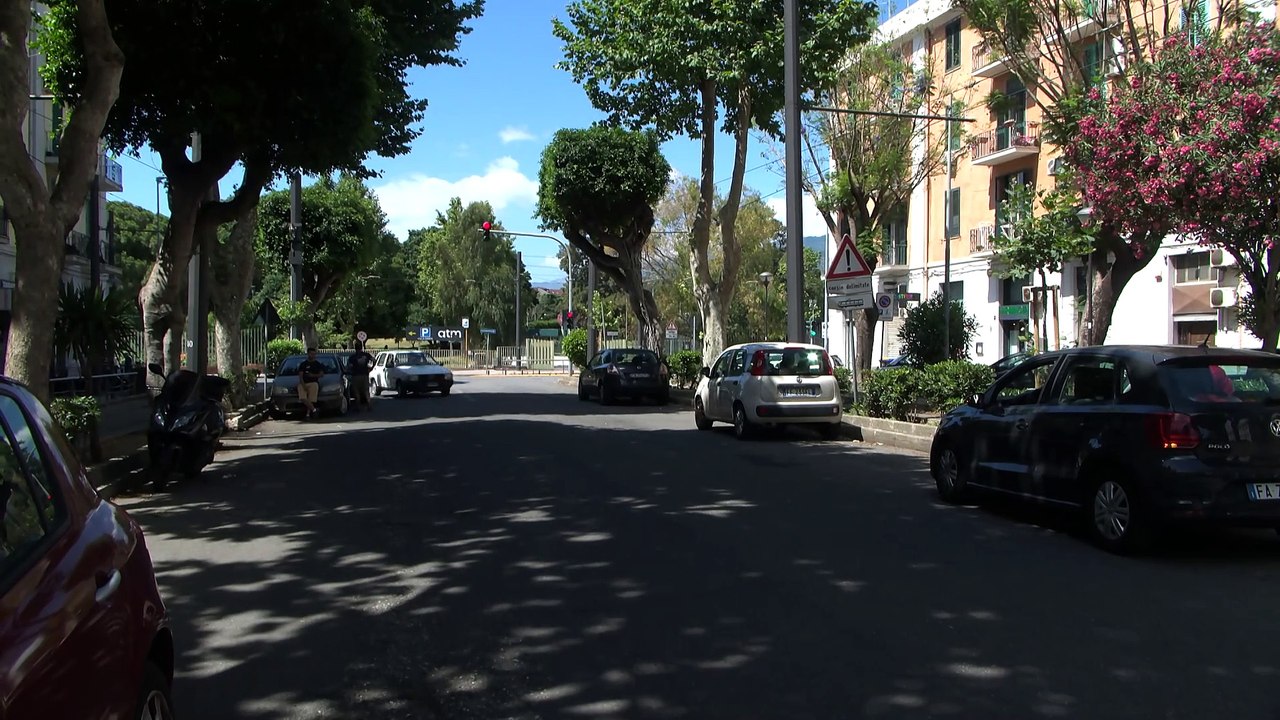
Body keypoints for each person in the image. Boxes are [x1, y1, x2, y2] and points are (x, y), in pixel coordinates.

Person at [298, 348, 326, 419]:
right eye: (311, 354)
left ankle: (308, 414)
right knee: (302, 398)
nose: (313, 355)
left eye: (314, 354)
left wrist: (313, 375)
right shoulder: (303, 364)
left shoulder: (317, 364)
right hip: (303, 383)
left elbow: (321, 374)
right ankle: (314, 410)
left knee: (311, 399)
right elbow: (300, 376)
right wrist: (303, 385)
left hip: (313, 383)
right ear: (308, 354)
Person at [347, 340, 376, 412]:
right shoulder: (366, 355)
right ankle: (369, 405)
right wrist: (371, 368)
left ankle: (358, 406)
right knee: (366, 390)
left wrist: (350, 371)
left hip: (355, 376)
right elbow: (374, 360)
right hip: (365, 375)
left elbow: (349, 366)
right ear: (361, 347)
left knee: (356, 391)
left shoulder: (352, 357)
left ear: (355, 348)